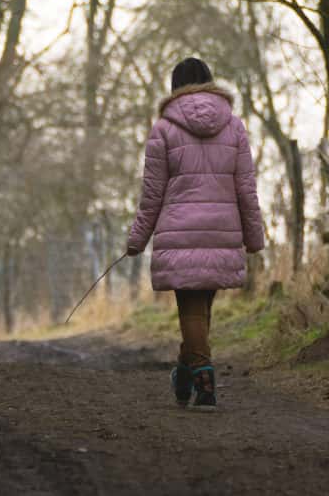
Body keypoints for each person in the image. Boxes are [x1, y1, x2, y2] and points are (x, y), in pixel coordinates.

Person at [126, 57, 265, 411]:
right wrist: (254, 236)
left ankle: (204, 379)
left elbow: (152, 194)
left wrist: (137, 239)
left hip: (180, 233)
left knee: (191, 310)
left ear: (175, 87)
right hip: (222, 231)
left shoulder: (163, 129)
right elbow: (246, 188)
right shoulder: (234, 127)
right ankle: (185, 376)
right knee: (200, 311)